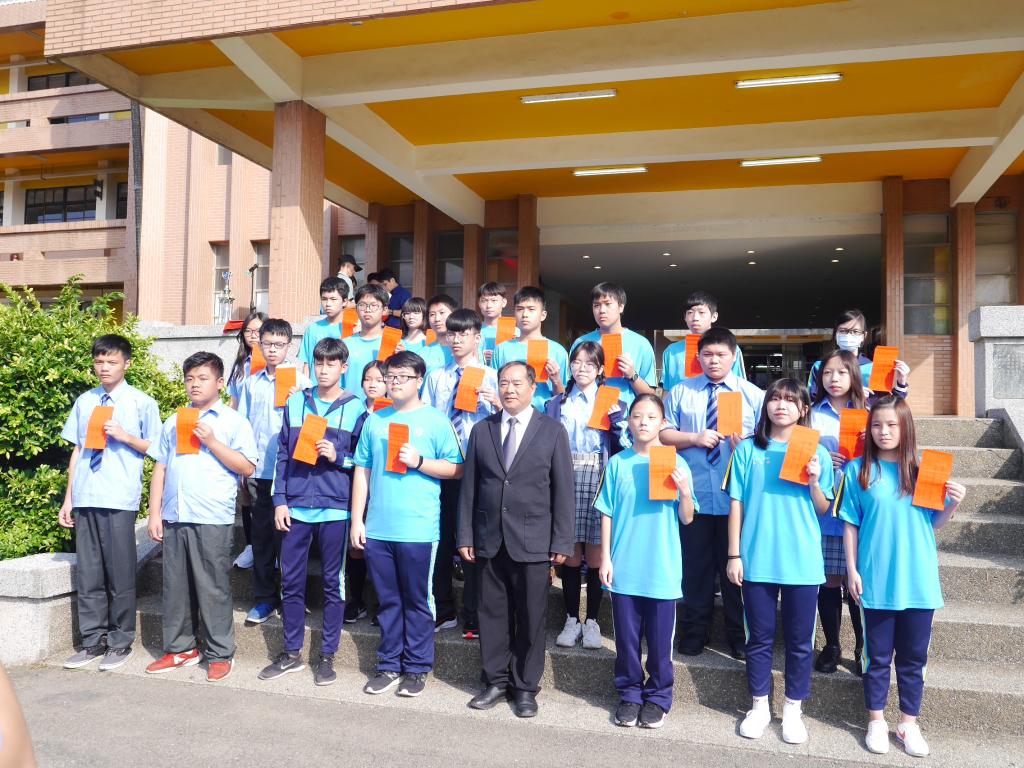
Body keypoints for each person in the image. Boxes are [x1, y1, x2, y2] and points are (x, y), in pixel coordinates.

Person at [839, 395, 966, 758]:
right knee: (876, 657)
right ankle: (876, 721)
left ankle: (909, 723)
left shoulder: (925, 471)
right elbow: (850, 524)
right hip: (876, 579)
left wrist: (953, 504)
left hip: (918, 580)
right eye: (877, 425)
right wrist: (851, 570)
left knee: (913, 658)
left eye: (892, 425)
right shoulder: (858, 471)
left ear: (906, 428)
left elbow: (933, 523)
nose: (884, 431)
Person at [458, 361, 575, 718]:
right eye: (503, 382)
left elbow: (563, 491)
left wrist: (562, 541)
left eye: (516, 383)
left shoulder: (552, 431)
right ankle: (495, 680)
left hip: (534, 539)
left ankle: (525, 687)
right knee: (491, 613)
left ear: (533, 388)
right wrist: (465, 534)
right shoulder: (482, 429)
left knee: (531, 616)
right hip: (489, 537)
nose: (509, 389)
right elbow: (470, 487)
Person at [725, 378, 834, 744]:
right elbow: (736, 504)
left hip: (802, 560)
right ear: (766, 405)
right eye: (775, 398)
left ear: (804, 409)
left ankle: (792, 709)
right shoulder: (747, 449)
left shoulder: (815, 451)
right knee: (758, 638)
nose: (781, 405)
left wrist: (814, 481)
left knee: (801, 641)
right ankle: (759, 706)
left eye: (790, 400)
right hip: (757, 557)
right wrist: (734, 554)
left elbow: (824, 508)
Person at [350, 351, 464, 698]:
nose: (395, 382)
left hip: (418, 528)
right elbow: (362, 470)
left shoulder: (436, 421)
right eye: (391, 376)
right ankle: (388, 664)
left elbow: (456, 468)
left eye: (403, 376)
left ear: (419, 380)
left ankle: (416, 667)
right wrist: (357, 519)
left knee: (417, 600)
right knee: (387, 600)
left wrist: (419, 461)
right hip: (379, 526)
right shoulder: (375, 420)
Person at [145, 352, 258, 682]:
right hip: (176, 514)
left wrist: (211, 441)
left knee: (212, 586)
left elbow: (247, 467)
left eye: (203, 378)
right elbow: (161, 467)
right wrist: (154, 513)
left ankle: (220, 653)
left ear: (220, 383)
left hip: (211, 515)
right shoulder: (174, 420)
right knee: (175, 586)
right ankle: (181, 649)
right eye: (190, 378)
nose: (194, 384)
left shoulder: (234, 422)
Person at [260, 338, 364, 687]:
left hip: (335, 509)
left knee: (334, 584)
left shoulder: (356, 408)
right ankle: (291, 653)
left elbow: (362, 462)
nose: (323, 369)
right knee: (290, 581)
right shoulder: (295, 402)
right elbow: (282, 454)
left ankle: (327, 656)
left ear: (343, 368)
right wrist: (279, 500)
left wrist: (339, 457)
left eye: (331, 363)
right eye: (319, 362)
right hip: (296, 506)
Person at [58, 334, 162, 671]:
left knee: (119, 573)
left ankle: (120, 641)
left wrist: (125, 436)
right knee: (89, 574)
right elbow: (78, 450)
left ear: (126, 364)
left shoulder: (141, 402)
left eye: (111, 361)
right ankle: (92, 640)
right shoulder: (85, 401)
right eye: (99, 361)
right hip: (86, 495)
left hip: (118, 496)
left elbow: (158, 449)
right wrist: (69, 498)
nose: (104, 367)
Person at [660, 328, 764, 659]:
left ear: (734, 357)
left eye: (721, 355)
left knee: (736, 571)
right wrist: (694, 438)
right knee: (695, 570)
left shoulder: (753, 394)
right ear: (698, 357)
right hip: (694, 497)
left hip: (737, 500)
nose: (714, 360)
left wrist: (746, 445)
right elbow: (663, 434)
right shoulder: (681, 391)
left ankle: (738, 635)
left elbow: (769, 441)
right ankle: (695, 631)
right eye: (707, 355)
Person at [597, 394, 697, 729]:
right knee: (626, 640)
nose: (643, 422)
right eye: (637, 416)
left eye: (651, 417)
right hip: (624, 564)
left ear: (663, 423)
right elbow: (607, 512)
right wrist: (605, 558)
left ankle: (658, 696)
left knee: (659, 641)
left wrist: (685, 491)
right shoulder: (618, 463)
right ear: (628, 421)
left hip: (662, 566)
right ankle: (629, 694)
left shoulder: (676, 463)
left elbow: (687, 518)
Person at [423, 308, 499, 639]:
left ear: (477, 338)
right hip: (444, 467)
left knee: (474, 542)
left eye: (463, 334)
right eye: (452, 334)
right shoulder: (437, 377)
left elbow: (509, 421)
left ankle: (474, 614)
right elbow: (426, 417)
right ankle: (443, 608)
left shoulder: (492, 376)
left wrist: (496, 403)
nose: (456, 340)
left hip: (479, 467)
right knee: (441, 538)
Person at [547, 341, 627, 651]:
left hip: (598, 472)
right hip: (565, 471)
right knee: (568, 551)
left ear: (601, 369)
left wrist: (617, 424)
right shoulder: (557, 402)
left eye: (590, 364)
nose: (582, 368)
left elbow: (624, 445)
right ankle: (571, 619)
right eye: (577, 362)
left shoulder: (613, 401)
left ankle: (592, 620)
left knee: (595, 552)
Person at [236, 318, 309, 625]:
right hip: (260, 470)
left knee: (290, 538)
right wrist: (243, 467)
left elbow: (312, 426)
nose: (273, 350)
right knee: (263, 537)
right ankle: (265, 598)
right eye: (267, 344)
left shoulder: (302, 384)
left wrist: (298, 402)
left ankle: (292, 597)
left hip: (292, 471)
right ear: (259, 345)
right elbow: (242, 426)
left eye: (279, 344)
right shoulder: (250, 383)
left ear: (289, 346)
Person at [809, 349, 868, 676]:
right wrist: (820, 454)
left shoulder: (870, 413)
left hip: (861, 508)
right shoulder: (811, 415)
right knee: (830, 580)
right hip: (827, 509)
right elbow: (799, 453)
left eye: (842, 373)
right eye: (828, 373)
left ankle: (862, 646)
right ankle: (832, 645)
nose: (834, 379)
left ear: (853, 376)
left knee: (858, 582)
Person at [344, 360, 387, 625]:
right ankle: (356, 600)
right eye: (368, 379)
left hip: (383, 488)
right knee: (356, 547)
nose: (373, 385)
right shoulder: (355, 412)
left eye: (379, 380)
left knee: (380, 548)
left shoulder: (393, 414)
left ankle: (383, 603)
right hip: (356, 484)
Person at [570, 282, 656, 410]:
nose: (602, 310)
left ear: (621, 307)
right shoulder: (581, 342)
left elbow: (651, 395)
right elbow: (570, 385)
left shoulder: (641, 344)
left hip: (626, 418)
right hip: (586, 415)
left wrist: (632, 375)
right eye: (596, 305)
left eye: (608, 304)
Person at [227, 311, 266, 570]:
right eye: (249, 331)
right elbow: (233, 402)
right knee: (246, 495)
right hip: (243, 436)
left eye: (258, 331)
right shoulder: (240, 365)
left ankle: (268, 548)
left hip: (267, 438)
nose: (253, 336)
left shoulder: (277, 365)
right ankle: (251, 545)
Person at [807, 309, 910, 400]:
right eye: (843, 331)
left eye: (855, 331)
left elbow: (886, 405)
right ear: (836, 334)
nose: (848, 335)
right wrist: (850, 395)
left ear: (863, 336)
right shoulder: (820, 366)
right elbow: (811, 400)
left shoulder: (873, 368)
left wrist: (901, 383)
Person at [494, 286, 568, 410]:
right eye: (520, 309)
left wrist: (556, 380)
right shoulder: (501, 349)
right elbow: (494, 389)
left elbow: (565, 398)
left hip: (544, 415)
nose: (525, 314)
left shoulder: (558, 351)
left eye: (531, 309)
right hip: (510, 416)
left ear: (543, 315)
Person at [661, 291, 746, 391]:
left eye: (701, 312)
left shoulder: (730, 347)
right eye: (690, 313)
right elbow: (666, 389)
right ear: (685, 317)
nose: (695, 318)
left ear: (714, 317)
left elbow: (738, 386)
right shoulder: (671, 351)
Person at [338, 284, 390, 395]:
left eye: (374, 305)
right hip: (349, 404)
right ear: (356, 308)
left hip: (382, 405)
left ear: (384, 310)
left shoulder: (394, 344)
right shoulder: (345, 344)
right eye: (362, 305)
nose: (367, 310)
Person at [299, 277, 350, 378]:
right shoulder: (312, 329)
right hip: (316, 386)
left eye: (333, 299)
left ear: (344, 301)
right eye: (324, 299)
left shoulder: (352, 329)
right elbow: (307, 365)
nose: (328, 304)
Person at [399, 296, 445, 377]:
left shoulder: (431, 343)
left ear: (424, 315)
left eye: (416, 313)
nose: (411, 317)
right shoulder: (398, 342)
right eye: (407, 313)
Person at [477, 281, 516, 365]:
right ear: (479, 303)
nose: (489, 305)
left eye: (494, 300)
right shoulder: (473, 330)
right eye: (484, 301)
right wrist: (479, 356)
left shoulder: (515, 332)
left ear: (504, 302)